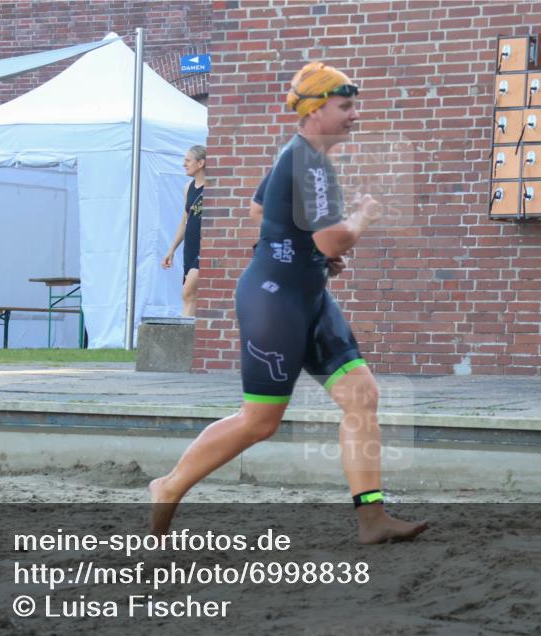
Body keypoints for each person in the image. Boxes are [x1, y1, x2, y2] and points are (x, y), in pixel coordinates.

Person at [149, 62, 428, 544]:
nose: (355, 115)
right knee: (259, 422)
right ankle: (168, 485)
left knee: (361, 396)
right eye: (345, 106)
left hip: (306, 293)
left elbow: (261, 211)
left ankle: (372, 519)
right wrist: (360, 218)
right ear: (316, 109)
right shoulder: (309, 162)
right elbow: (333, 241)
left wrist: (303, 253)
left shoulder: (300, 156)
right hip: (275, 302)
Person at [162, 145, 206, 317]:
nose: (184, 164)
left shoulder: (212, 187)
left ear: (201, 163)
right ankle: (192, 338)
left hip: (205, 248)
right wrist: (171, 250)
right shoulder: (188, 187)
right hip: (190, 247)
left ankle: (183, 336)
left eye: (188, 160)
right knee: (191, 296)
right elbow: (184, 221)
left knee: (188, 292)